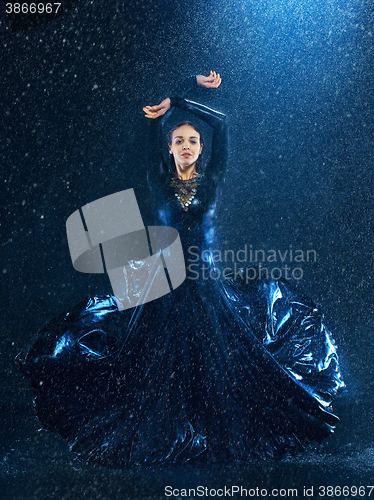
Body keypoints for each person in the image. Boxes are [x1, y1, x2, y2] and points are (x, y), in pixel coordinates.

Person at [17, 71, 344, 465]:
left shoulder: (212, 180)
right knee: (155, 367)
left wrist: (186, 94)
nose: (185, 146)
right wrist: (173, 99)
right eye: (178, 141)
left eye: (192, 141)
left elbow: (221, 124)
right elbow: (155, 119)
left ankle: (217, 423)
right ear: (169, 149)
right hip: (164, 283)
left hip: (207, 286)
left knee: (219, 363)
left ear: (201, 148)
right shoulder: (158, 179)